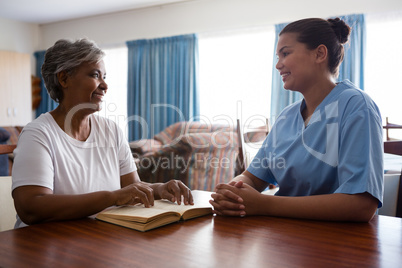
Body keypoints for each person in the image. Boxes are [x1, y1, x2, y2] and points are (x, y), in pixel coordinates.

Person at [210, 18, 383, 222]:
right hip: (286, 239)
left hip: (339, 243)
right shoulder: (286, 117)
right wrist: (233, 192)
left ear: (319, 54)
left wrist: (265, 204)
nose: (278, 65)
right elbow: (253, 177)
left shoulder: (356, 106)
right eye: (278, 56)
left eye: (285, 53)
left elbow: (361, 205)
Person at [12, 38, 193, 228]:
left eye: (104, 77)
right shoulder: (38, 134)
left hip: (97, 238)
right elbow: (31, 208)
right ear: (64, 78)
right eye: (95, 75)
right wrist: (112, 197)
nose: (104, 86)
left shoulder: (111, 130)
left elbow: (132, 187)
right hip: (44, 245)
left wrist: (161, 189)